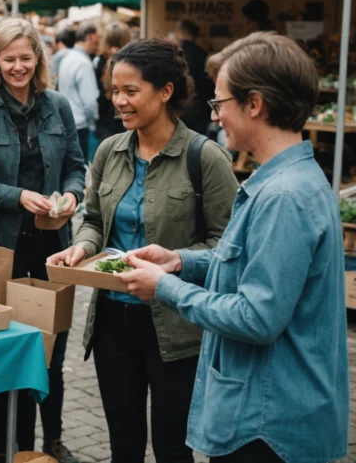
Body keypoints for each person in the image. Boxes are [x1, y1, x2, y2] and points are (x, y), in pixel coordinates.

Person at [119, 33, 348, 463]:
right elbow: (247, 262)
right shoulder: (289, 180)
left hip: (268, 426)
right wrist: (178, 261)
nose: (217, 115)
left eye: (220, 102)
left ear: (255, 104)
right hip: (274, 414)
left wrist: (165, 289)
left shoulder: (282, 197)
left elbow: (257, 317)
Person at [48, 39, 238, 463]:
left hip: (177, 325)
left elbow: (228, 248)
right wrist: (81, 249)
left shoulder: (205, 157)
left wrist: (175, 265)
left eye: (131, 91)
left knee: (172, 449)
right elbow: (95, 220)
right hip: (113, 321)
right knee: (124, 446)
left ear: (165, 91)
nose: (119, 101)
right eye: (115, 91)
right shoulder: (109, 151)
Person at [0, 19, 85, 463]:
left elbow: (75, 163)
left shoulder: (57, 105)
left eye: (25, 57)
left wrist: (73, 193)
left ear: (38, 59)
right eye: (9, 58)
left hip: (53, 248)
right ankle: (5, 449)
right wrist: (19, 196)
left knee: (52, 348)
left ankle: (50, 440)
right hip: (0, 247)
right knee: (4, 351)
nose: (18, 66)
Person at [57, 24, 100, 159]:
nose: (98, 42)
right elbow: (90, 101)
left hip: (68, 121)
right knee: (85, 170)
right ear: (89, 37)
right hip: (81, 125)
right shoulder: (82, 62)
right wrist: (93, 125)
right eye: (97, 38)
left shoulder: (68, 57)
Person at [93, 22, 133, 147]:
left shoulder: (98, 61)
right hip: (128, 115)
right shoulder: (132, 61)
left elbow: (95, 92)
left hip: (105, 118)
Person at [174, 19, 215, 136]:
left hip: (180, 106)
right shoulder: (204, 55)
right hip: (201, 108)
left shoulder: (176, 54)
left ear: (179, 32)